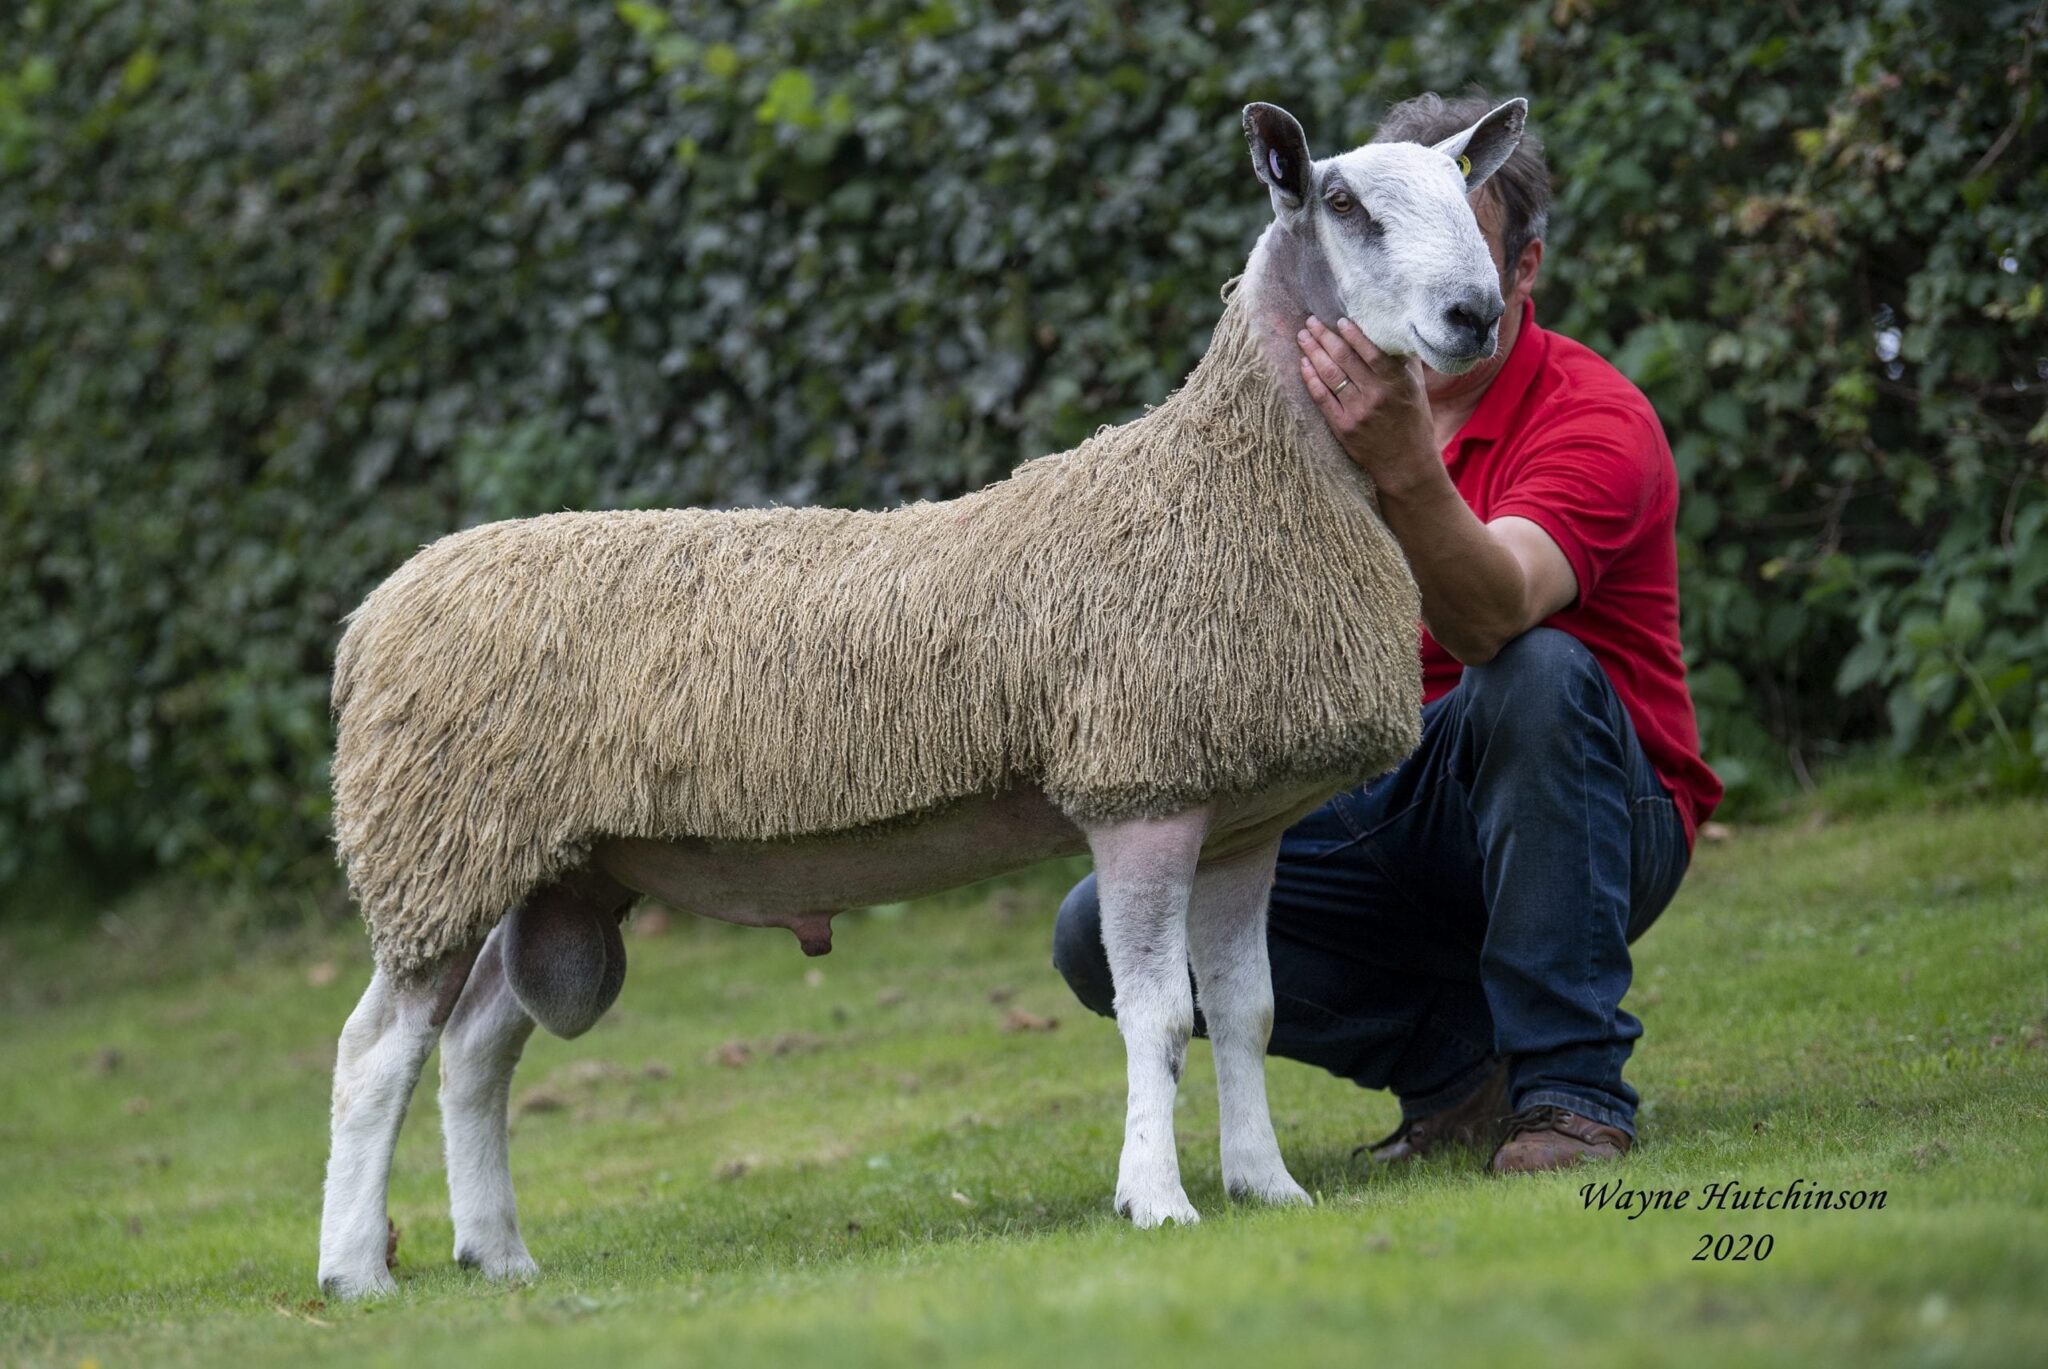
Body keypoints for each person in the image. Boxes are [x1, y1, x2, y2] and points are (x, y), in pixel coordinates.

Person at [1051, 92, 1722, 1173]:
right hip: (1380, 790)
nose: (1426, 265)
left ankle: (1568, 1092)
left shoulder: (1593, 420)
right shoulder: (1296, 427)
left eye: (1461, 236)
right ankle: (1457, 1070)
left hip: (1590, 809)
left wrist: (1404, 465)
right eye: (1381, 226)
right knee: (1106, 927)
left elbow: (1492, 616)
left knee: (1532, 674)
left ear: (1522, 269)